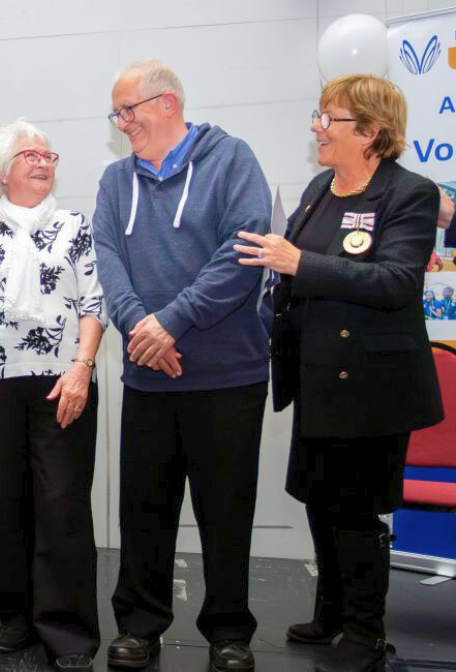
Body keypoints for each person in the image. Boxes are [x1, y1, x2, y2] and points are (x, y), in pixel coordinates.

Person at [234, 74, 443, 672]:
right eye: (319, 116)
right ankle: (330, 614)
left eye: (330, 119)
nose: (316, 128)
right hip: (319, 379)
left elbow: (397, 281)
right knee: (321, 502)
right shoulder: (320, 187)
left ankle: (365, 630)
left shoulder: (409, 193)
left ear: (371, 133)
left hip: (373, 388)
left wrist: (300, 261)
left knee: (355, 510)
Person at [93, 59, 272, 672]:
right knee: (144, 510)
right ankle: (140, 627)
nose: (121, 123)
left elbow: (245, 251)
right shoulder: (116, 181)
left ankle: (229, 632)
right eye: (116, 114)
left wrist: (171, 321)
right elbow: (109, 262)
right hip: (149, 374)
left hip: (228, 377)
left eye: (128, 111)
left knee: (226, 511)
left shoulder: (232, 160)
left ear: (166, 103)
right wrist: (144, 326)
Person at [0, 119, 106, 672]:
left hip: (63, 381)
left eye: (48, 155)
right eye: (30, 155)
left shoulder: (74, 226)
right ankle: (14, 616)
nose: (43, 162)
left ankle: (68, 632)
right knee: (8, 507)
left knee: (61, 504)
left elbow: (93, 305)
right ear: (4, 169)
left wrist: (83, 368)